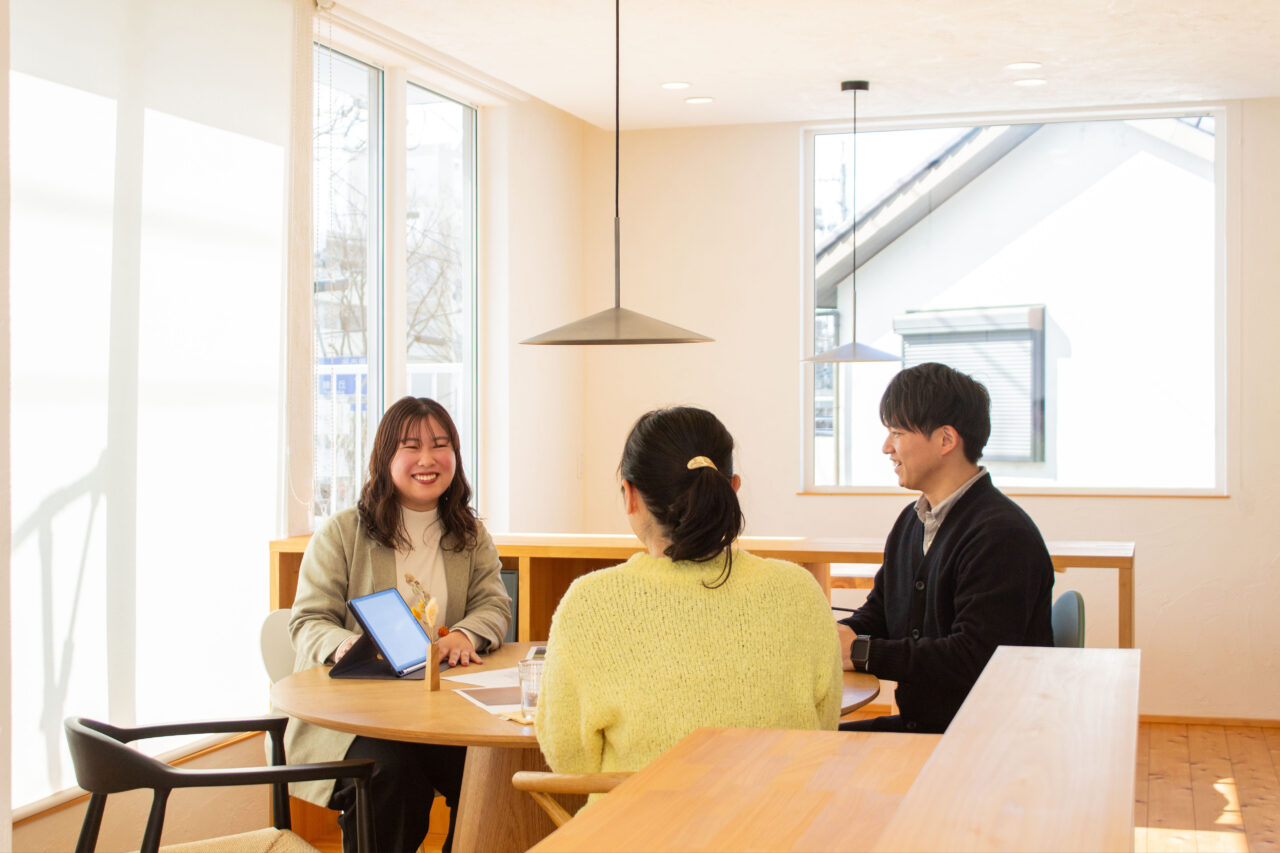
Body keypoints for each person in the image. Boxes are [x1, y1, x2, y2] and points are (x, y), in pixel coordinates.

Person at [535, 406, 842, 787]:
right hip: (781, 833)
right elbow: (824, 729)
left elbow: (570, 758)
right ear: (733, 490)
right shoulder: (800, 591)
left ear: (630, 495)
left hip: (636, 832)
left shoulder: (590, 603)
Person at [284, 396, 511, 853]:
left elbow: (494, 603)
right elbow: (308, 619)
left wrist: (466, 634)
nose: (427, 459)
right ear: (386, 457)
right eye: (411, 447)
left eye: (440, 445)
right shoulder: (344, 532)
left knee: (494, 774)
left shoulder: (469, 533)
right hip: (355, 717)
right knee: (393, 778)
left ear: (455, 457)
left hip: (442, 712)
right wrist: (349, 646)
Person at [837, 362, 1054, 734]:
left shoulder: (1001, 535)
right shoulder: (912, 521)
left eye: (897, 433)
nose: (887, 447)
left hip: (981, 740)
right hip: (923, 726)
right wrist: (830, 638)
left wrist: (860, 652)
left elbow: (974, 657)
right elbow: (880, 616)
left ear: (946, 440)